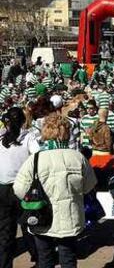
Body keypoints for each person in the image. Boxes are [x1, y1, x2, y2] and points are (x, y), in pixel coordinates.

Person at [13, 114, 97, 268]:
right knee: (68, 258)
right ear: (67, 132)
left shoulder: (36, 159)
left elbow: (19, 188)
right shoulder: (78, 158)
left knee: (45, 259)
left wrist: (36, 197)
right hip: (70, 217)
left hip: (41, 215)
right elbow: (89, 186)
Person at [0, 108, 40, 268]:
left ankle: (4, 264)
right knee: (29, 226)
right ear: (24, 121)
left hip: (3, 188)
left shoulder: (1, 137)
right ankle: (38, 259)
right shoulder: (29, 137)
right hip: (22, 188)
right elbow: (38, 156)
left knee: (4, 232)